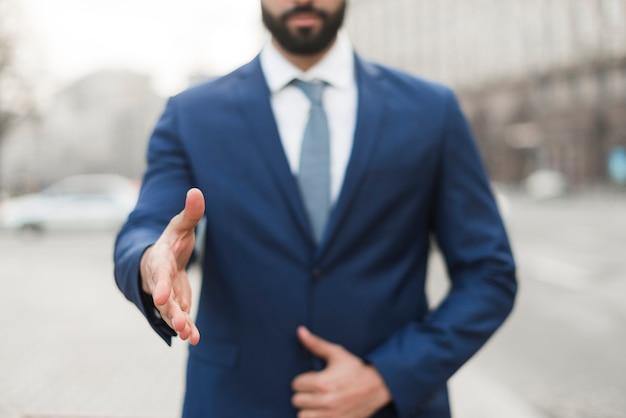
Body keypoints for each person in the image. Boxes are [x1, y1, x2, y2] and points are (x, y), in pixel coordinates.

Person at [114, 0, 517, 417]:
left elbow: (489, 274)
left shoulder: (432, 111)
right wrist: (151, 261)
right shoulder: (191, 115)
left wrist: (388, 376)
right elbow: (147, 228)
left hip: (391, 407)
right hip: (235, 401)